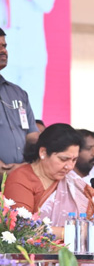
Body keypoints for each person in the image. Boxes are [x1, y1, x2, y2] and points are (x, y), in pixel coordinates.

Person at [3, 123, 94, 238]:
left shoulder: (71, 180)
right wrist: (73, 233)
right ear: (43, 152)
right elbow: (22, 228)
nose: (70, 166)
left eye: (74, 160)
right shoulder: (21, 179)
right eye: (64, 159)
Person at [0, 27, 38, 174]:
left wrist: (30, 165)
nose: (3, 51)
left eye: (4, 46)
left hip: (20, 176)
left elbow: (32, 136)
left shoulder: (18, 93)